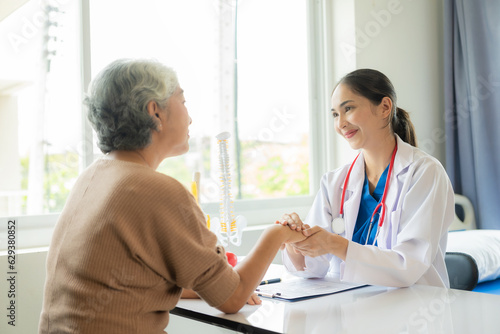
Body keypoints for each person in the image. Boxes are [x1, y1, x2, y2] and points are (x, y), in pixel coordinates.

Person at [38, 58, 305, 334]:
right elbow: (233, 297)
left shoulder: (93, 176)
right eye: (183, 101)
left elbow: (135, 282)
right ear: (155, 112)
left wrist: (207, 287)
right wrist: (278, 234)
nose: (190, 117)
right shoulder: (156, 190)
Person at [278, 69, 454, 288]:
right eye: (334, 114)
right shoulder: (334, 182)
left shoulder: (424, 173)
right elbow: (314, 267)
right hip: (349, 308)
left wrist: (335, 244)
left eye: (348, 109)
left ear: (385, 108)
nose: (340, 123)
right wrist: (297, 244)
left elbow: (408, 266)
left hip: (412, 311)